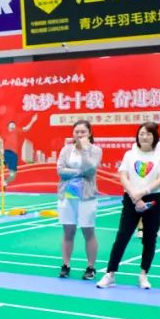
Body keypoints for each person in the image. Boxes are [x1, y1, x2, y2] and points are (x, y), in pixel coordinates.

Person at [97, 122, 160, 290]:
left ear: (154, 137)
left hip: (154, 199)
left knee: (149, 239)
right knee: (122, 237)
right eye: (141, 133)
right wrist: (135, 196)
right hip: (131, 198)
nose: (144, 137)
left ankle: (143, 275)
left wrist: (144, 191)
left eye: (148, 134)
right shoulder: (130, 154)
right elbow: (123, 176)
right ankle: (110, 274)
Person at [56, 120, 103, 280]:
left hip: (86, 197)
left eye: (83, 132)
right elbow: (60, 170)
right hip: (67, 196)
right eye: (76, 132)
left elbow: (90, 170)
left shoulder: (95, 150)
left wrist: (83, 150)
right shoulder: (66, 150)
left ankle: (90, 267)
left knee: (88, 232)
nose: (79, 135)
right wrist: (79, 172)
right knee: (68, 232)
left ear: (89, 133)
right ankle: (66, 265)